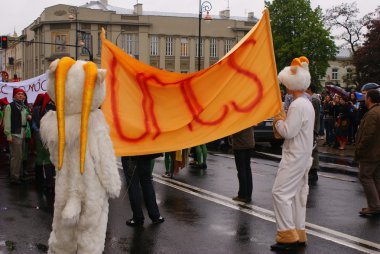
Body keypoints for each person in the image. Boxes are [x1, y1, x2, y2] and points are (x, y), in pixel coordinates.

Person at [271, 56, 315, 251]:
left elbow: (288, 131)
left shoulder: (298, 105)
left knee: (280, 193)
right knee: (298, 195)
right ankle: (299, 231)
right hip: (303, 155)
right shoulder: (307, 103)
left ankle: (287, 234)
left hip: (295, 155)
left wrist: (279, 119)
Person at [354, 89, 380, 216]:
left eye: (365, 96)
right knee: (375, 177)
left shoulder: (372, 114)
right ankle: (377, 204)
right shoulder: (377, 111)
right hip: (376, 151)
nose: (364, 99)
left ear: (369, 99)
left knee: (365, 176)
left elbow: (367, 135)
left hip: (370, 152)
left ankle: (374, 206)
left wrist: (359, 149)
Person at [122, 154, 165, 226]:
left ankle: (137, 218)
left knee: (133, 185)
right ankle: (155, 216)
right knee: (147, 182)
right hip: (144, 153)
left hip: (129, 154)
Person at [3, 88, 31, 184]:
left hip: (23, 133)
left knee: (21, 156)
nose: (21, 95)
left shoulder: (23, 107)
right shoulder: (9, 106)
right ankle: (15, 177)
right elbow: (7, 122)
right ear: (14, 96)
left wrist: (28, 117)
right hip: (15, 134)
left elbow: (24, 119)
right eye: (18, 94)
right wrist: (8, 134)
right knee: (16, 156)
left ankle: (20, 175)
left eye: (22, 94)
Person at [231, 127, 255, 203]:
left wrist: (230, 134)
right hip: (249, 143)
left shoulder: (238, 116)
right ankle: (248, 195)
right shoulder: (248, 115)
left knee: (241, 170)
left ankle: (242, 195)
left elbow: (236, 130)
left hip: (240, 144)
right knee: (247, 169)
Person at [305, 84, 321, 183]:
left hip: (312, 129)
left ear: (309, 89)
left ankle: (313, 171)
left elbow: (314, 117)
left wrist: (314, 130)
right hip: (310, 129)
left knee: (313, 151)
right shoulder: (311, 99)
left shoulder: (314, 99)